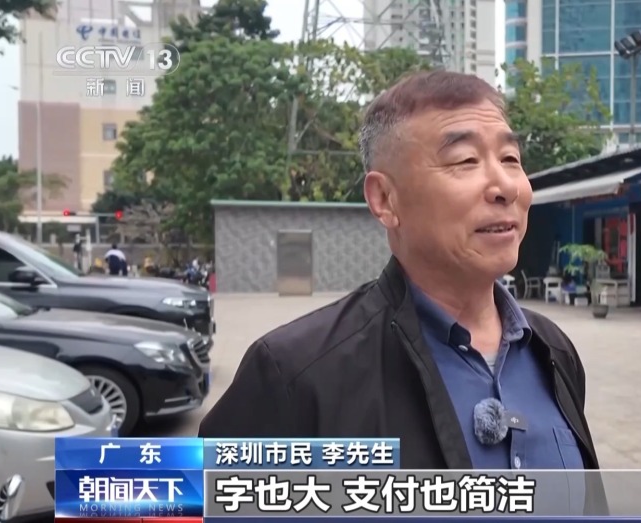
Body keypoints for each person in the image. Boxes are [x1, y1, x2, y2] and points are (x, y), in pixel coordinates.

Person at [199, 71, 607, 513]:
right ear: (385, 199)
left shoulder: (553, 352)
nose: (506, 187)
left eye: (510, 158)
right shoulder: (295, 374)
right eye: (465, 160)